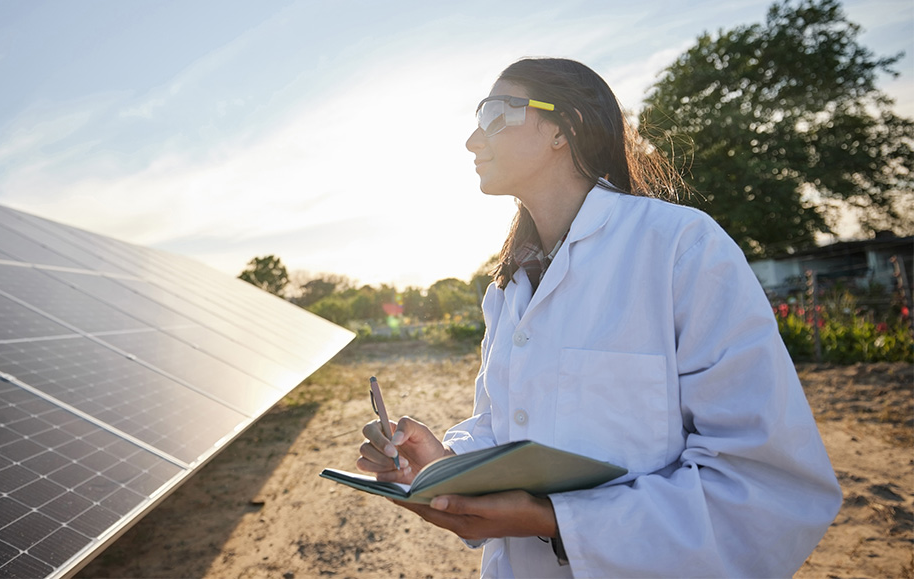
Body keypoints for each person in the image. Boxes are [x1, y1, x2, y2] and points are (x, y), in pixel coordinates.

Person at [357, 57, 842, 578]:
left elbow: (763, 481)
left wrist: (560, 523)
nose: (473, 140)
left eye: (495, 114)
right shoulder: (508, 287)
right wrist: (446, 459)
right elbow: (510, 426)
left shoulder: (680, 247)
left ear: (565, 129)